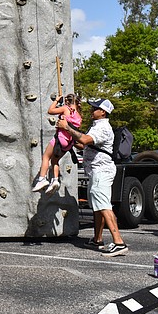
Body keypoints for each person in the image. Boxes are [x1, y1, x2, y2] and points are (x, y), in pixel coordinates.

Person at [57, 98, 128, 257]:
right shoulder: (96, 126)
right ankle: (98, 239)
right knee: (97, 206)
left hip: (101, 171)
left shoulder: (103, 127)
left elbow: (84, 139)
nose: (91, 110)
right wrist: (67, 138)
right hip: (96, 171)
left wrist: (66, 127)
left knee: (103, 205)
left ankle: (119, 242)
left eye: (95, 108)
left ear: (103, 112)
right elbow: (83, 145)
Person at [33, 94, 82, 194]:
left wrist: (56, 101)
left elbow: (50, 111)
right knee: (55, 161)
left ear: (67, 102)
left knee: (46, 157)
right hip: (69, 143)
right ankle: (55, 180)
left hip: (60, 139)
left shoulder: (65, 109)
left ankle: (42, 179)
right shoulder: (78, 116)